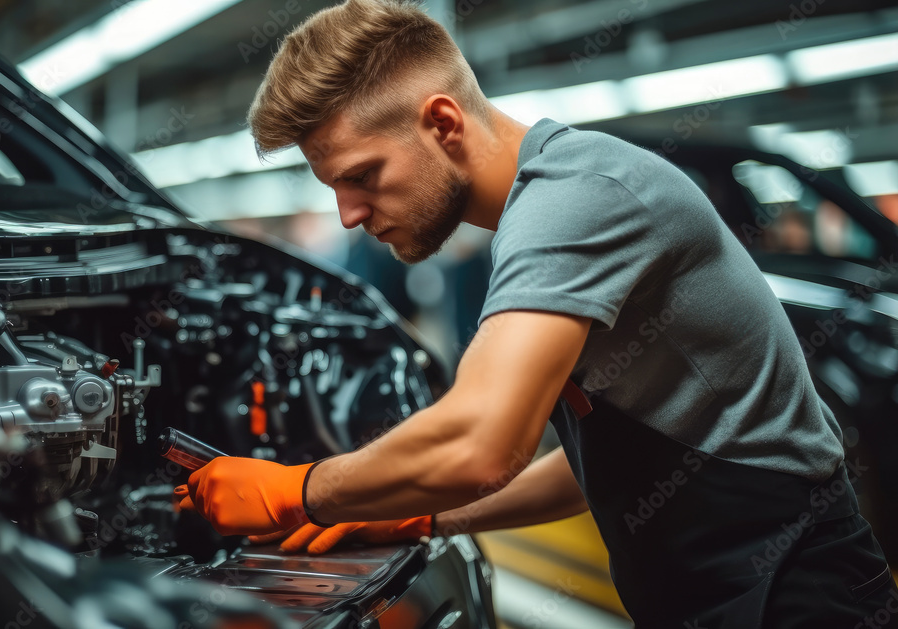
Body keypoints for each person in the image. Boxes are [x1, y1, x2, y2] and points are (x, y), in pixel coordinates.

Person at [175, 1, 898, 626]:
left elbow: (484, 442)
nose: (350, 212)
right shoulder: (540, 216)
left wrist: (292, 490)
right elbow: (603, 468)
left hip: (800, 596)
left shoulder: (577, 196)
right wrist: (420, 514)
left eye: (363, 176)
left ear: (443, 122)